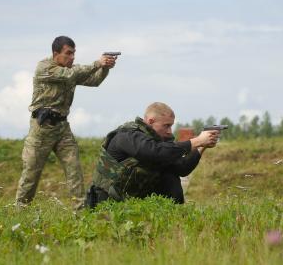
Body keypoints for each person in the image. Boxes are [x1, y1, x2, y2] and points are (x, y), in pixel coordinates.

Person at [15, 36, 117, 209]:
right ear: (56, 53)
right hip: (41, 129)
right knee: (31, 174)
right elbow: (70, 74)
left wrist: (105, 67)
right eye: (68, 53)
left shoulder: (72, 70)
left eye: (74, 53)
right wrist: (97, 63)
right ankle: (20, 212)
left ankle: (80, 212)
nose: (72, 57)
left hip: (62, 128)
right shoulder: (45, 67)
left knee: (74, 170)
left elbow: (95, 81)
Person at [86, 102, 219, 208]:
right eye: (166, 126)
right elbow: (154, 152)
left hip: (132, 205)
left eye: (171, 126)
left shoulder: (159, 142)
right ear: (150, 121)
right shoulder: (127, 135)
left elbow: (181, 168)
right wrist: (196, 141)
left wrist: (202, 146)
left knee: (170, 175)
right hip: (106, 204)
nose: (169, 131)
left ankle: (175, 217)